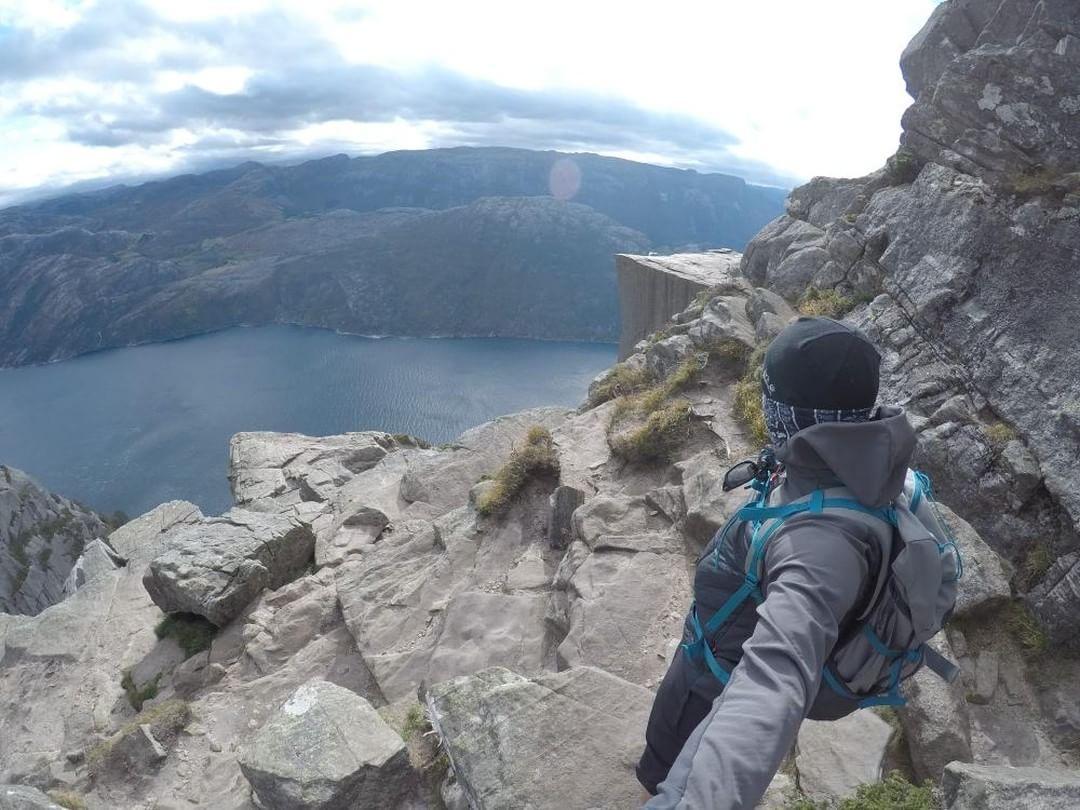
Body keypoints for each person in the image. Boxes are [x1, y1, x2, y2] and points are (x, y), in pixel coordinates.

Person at [638, 316, 925, 809]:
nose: (764, 410)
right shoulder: (860, 463)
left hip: (717, 680)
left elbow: (773, 681)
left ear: (796, 416)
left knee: (665, 761)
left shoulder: (818, 549)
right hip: (722, 649)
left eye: (772, 401)